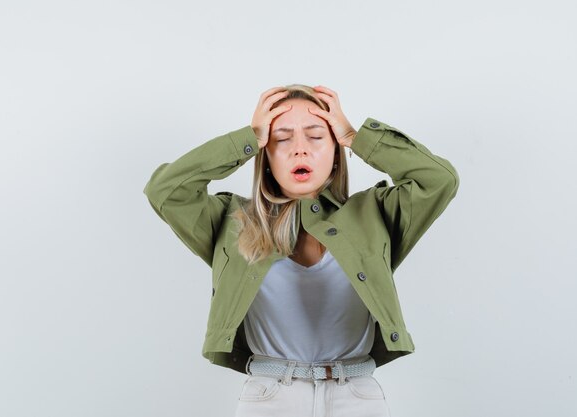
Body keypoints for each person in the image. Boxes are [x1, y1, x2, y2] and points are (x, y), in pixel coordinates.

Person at [143, 84, 459, 416]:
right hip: (269, 397)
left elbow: (439, 180)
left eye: (315, 136)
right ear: (265, 154)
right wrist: (246, 138)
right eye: (281, 138)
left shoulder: (375, 214)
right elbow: (165, 191)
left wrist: (355, 137)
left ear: (336, 151)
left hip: (356, 396)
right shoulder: (232, 221)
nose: (300, 150)